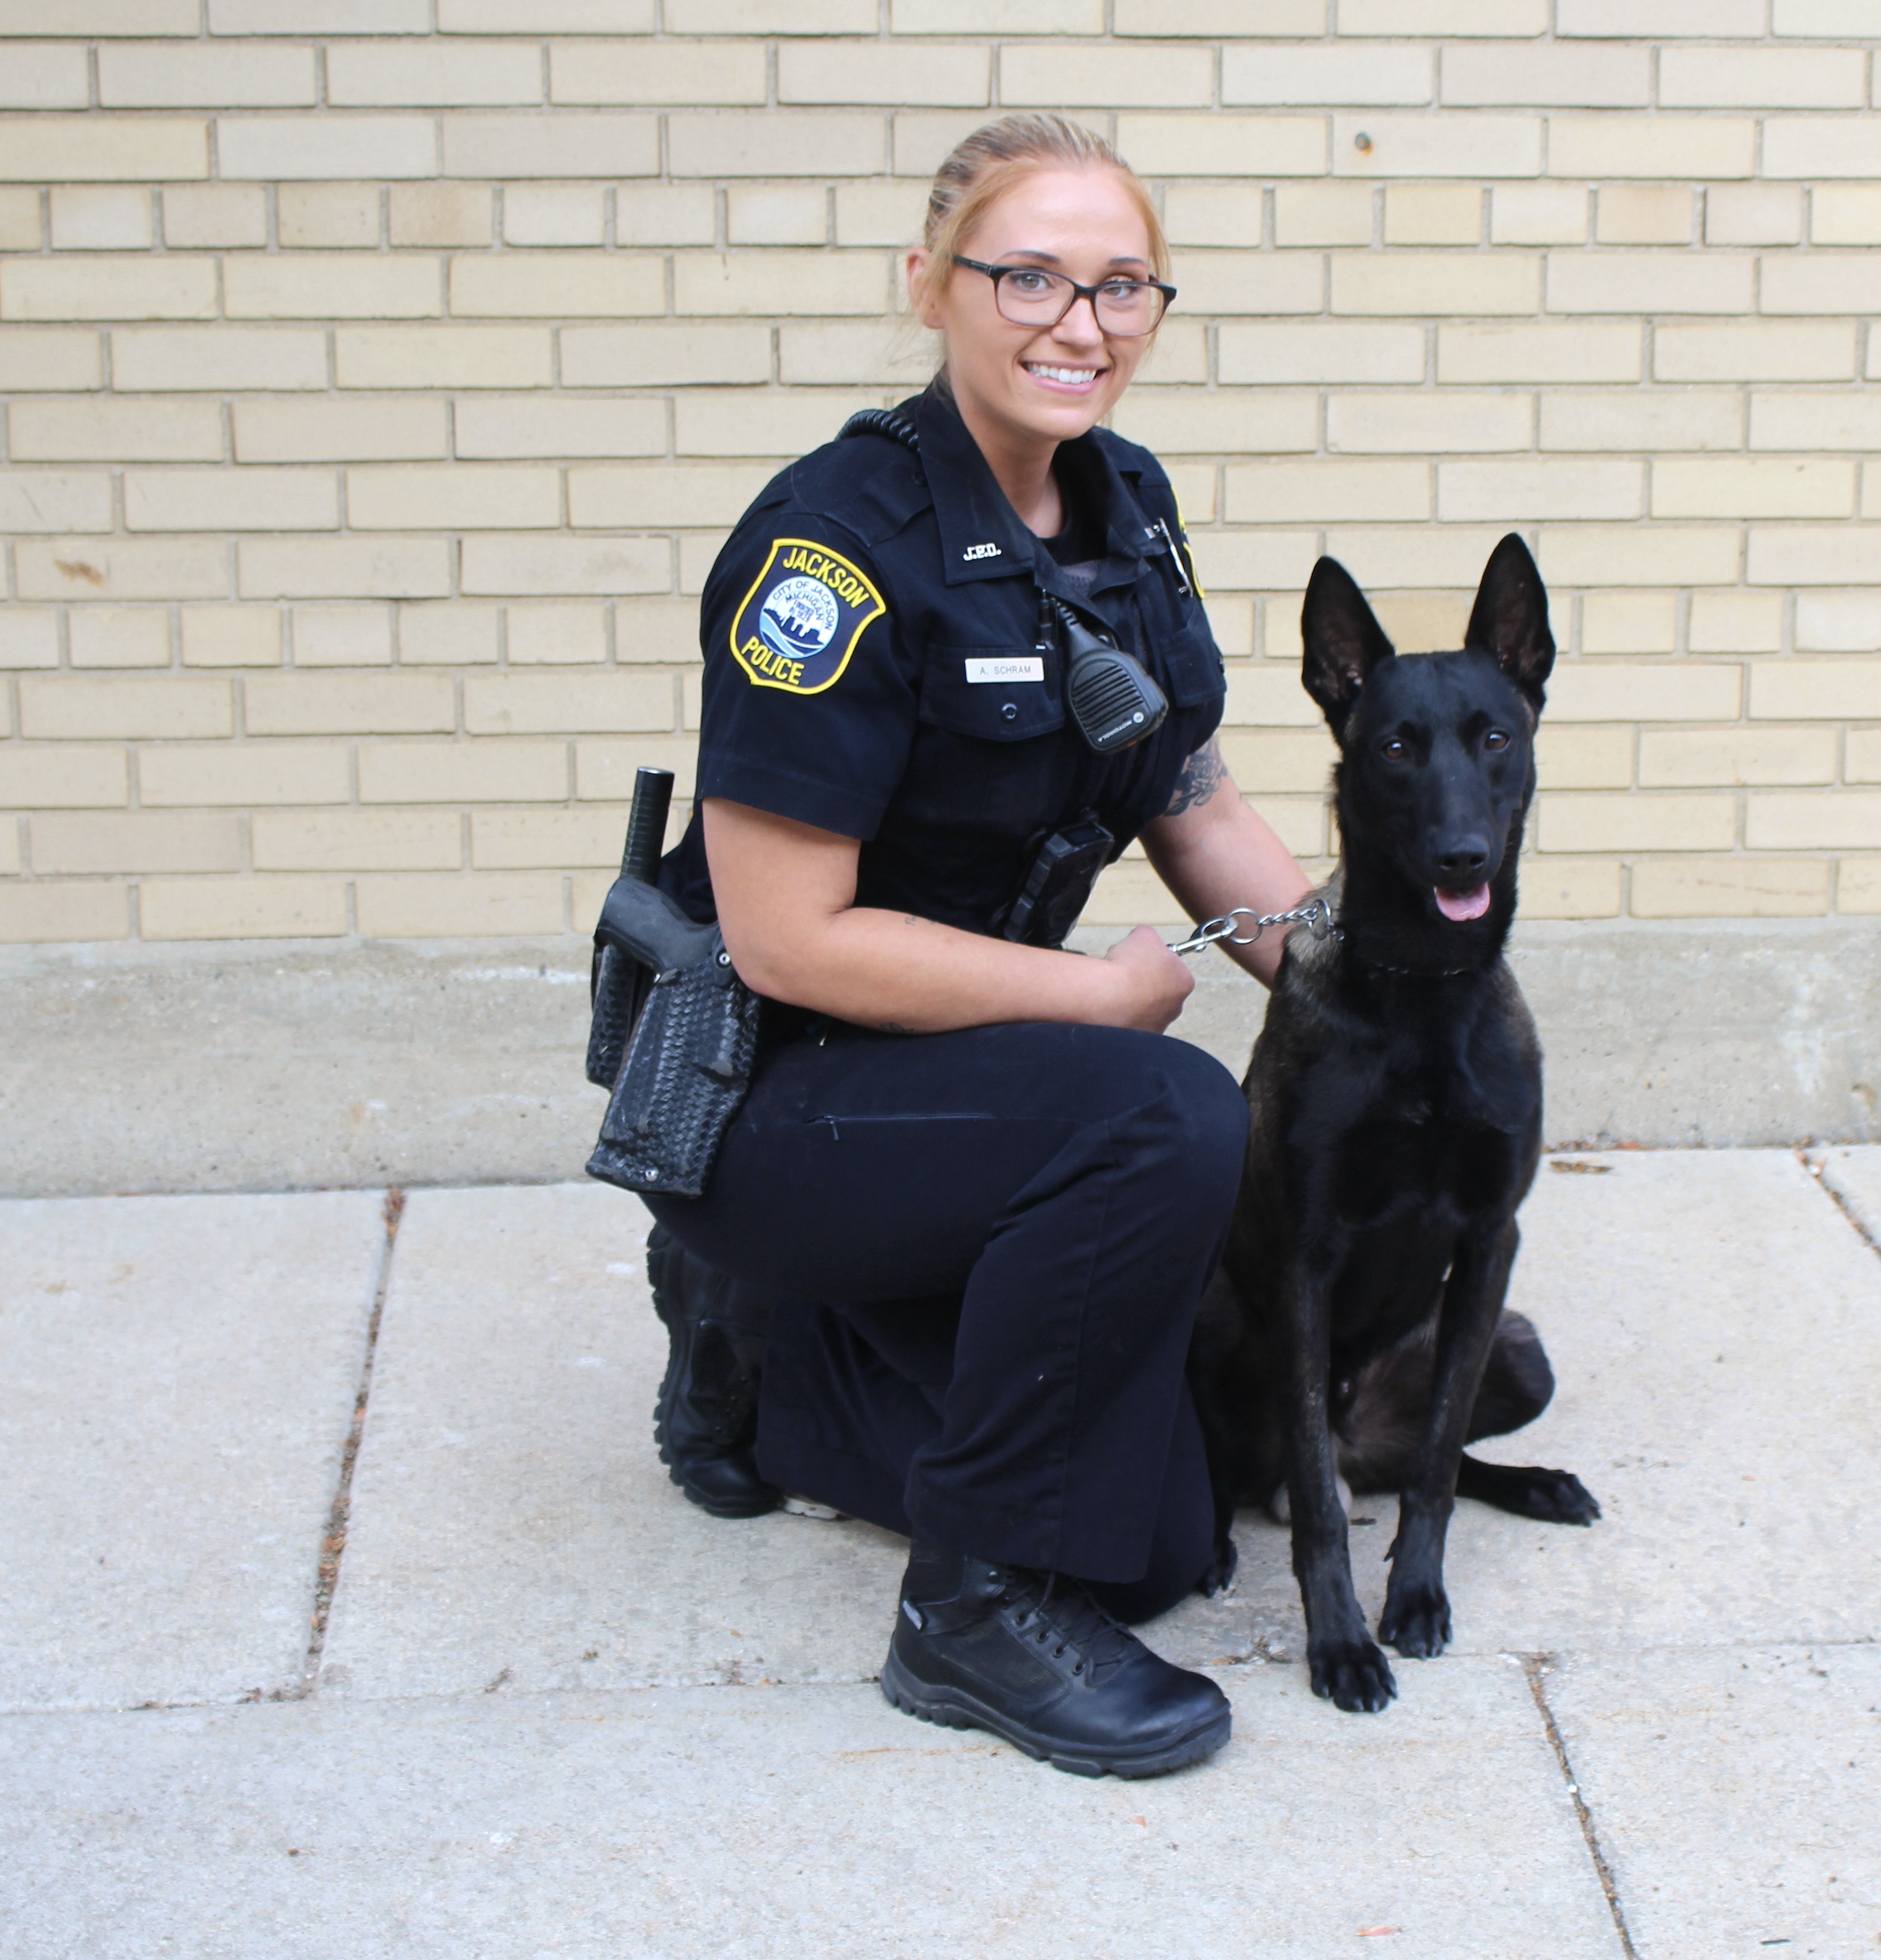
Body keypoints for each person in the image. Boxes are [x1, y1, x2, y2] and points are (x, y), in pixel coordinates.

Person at [638, 114, 1312, 1780]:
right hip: (777, 1099)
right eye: (1030, 276)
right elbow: (788, 941)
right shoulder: (831, 549)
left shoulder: (1126, 505)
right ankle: (970, 1605)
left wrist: (1376, 987)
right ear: (932, 286)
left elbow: (1189, 790)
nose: (1079, 325)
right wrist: (1098, 1000)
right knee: (1159, 1113)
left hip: (960, 1097)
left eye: (1122, 287)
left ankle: (767, 1359)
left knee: (1158, 1540)